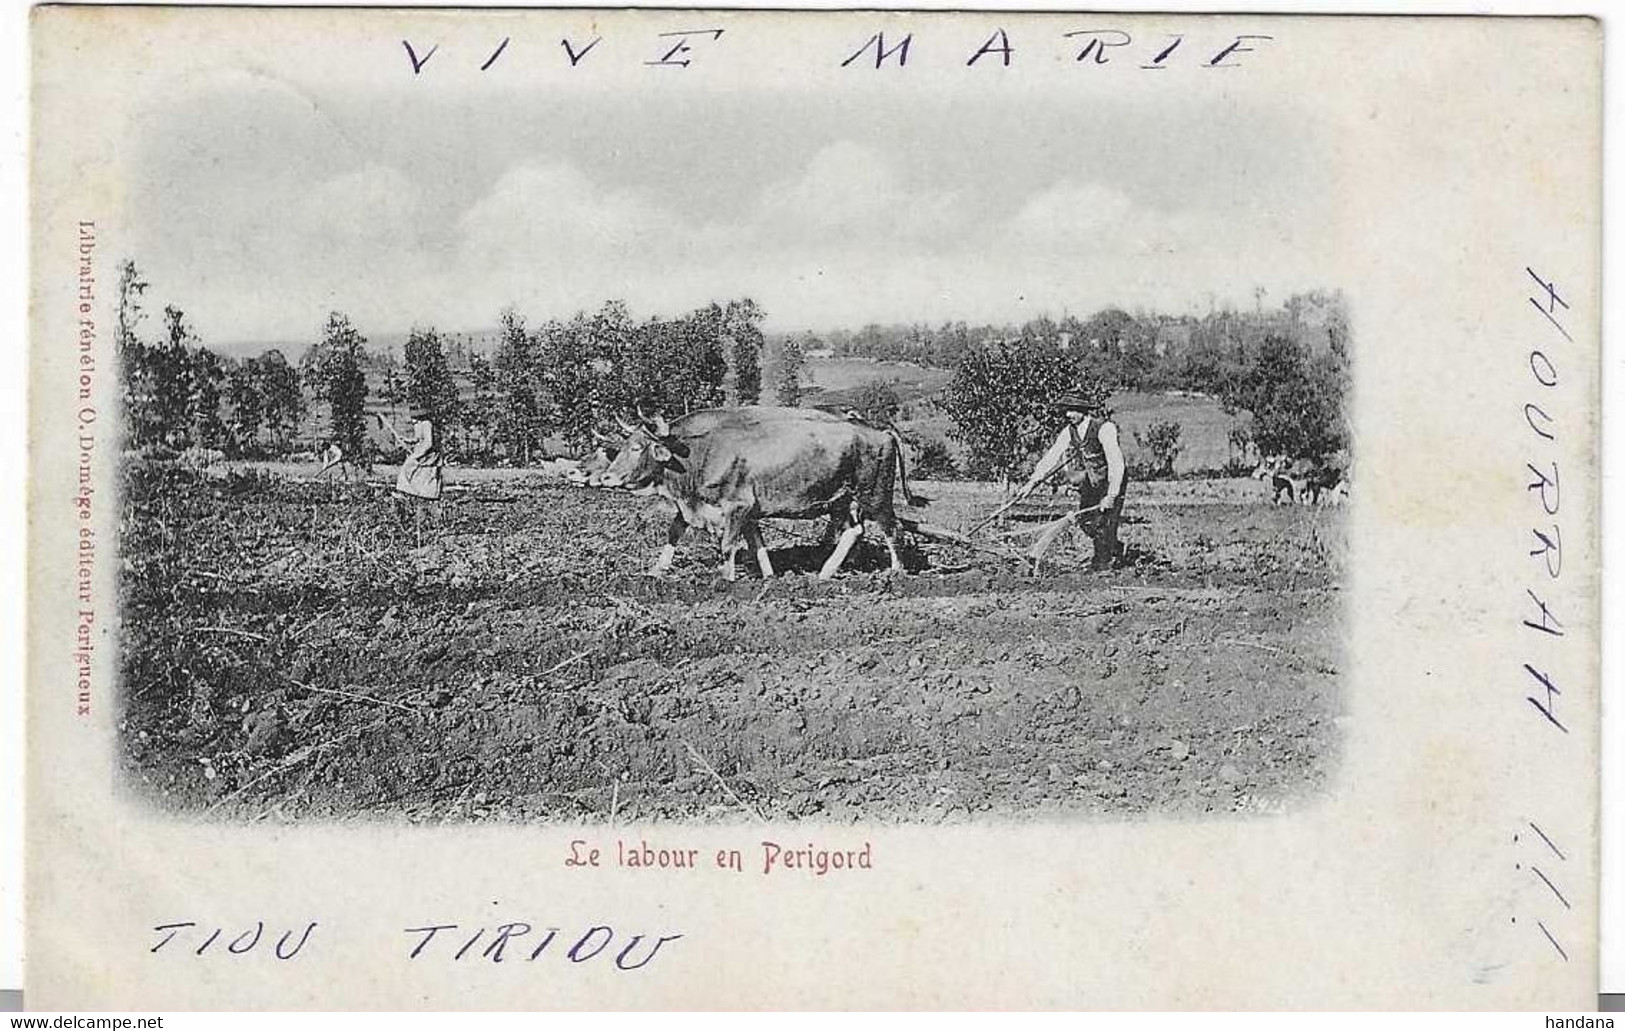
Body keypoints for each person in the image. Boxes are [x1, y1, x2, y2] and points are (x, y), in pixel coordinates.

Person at [1017, 392, 1128, 571]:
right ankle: (1115, 548)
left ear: (1084, 410)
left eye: (1073, 410)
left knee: (1104, 522)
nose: (1068, 415)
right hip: (1092, 482)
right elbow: (1052, 455)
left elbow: (1116, 463)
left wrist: (1112, 494)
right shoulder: (1069, 431)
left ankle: (1102, 566)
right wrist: (1032, 481)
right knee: (1086, 521)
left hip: (1112, 481)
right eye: (1067, 410)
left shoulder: (1104, 428)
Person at [377, 407, 444, 538]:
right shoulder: (418, 424)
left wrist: (416, 455)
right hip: (421, 455)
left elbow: (428, 443)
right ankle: (409, 498)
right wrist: (408, 441)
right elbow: (419, 439)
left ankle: (425, 511)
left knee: (412, 474)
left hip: (428, 456)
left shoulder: (427, 424)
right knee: (412, 477)